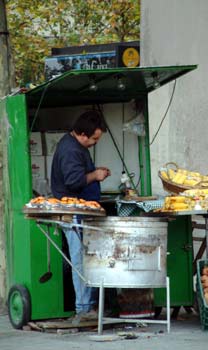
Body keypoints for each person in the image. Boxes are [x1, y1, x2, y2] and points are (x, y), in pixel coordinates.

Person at [51, 110, 111, 323]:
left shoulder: (77, 145)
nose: (95, 142)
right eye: (94, 139)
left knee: (86, 258)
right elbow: (74, 181)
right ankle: (83, 308)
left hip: (82, 210)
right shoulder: (70, 150)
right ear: (83, 134)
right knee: (80, 260)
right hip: (73, 212)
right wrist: (95, 175)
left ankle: (90, 305)